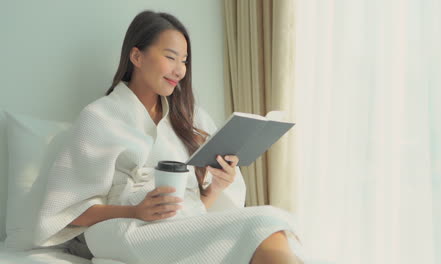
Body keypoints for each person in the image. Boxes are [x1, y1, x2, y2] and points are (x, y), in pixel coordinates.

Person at [33, 10, 305, 264]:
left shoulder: (190, 118)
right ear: (137, 57)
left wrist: (215, 188)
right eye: (171, 57)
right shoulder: (99, 117)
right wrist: (136, 211)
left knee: (268, 225)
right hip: (121, 227)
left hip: (178, 224)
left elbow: (190, 210)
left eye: (184, 61)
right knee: (265, 220)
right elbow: (67, 211)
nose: (180, 70)